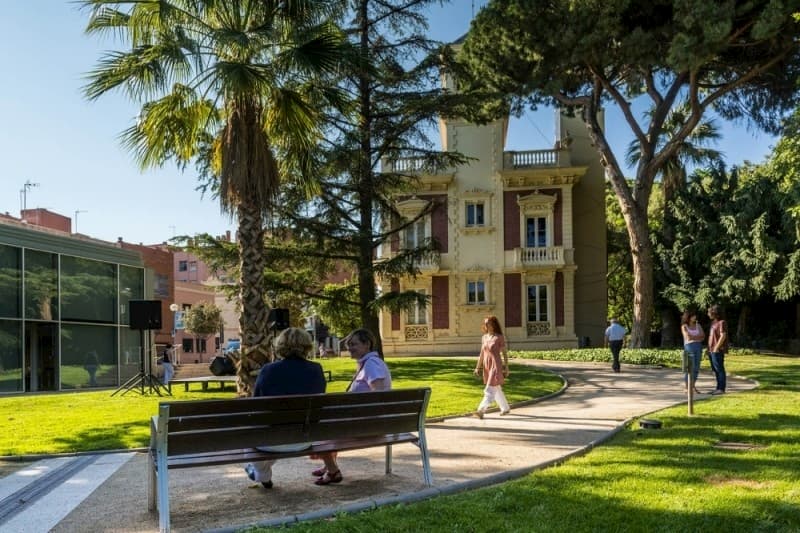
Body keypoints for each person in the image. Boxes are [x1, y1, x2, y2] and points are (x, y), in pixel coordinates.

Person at [243, 328, 326, 489]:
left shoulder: (268, 370)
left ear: (280, 346)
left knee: (252, 435)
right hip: (303, 439)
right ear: (307, 346)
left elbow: (257, 404)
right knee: (272, 436)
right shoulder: (316, 369)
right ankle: (262, 473)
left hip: (272, 440)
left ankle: (262, 474)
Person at [311, 328, 391, 486]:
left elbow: (379, 396)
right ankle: (329, 464)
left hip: (368, 426)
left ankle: (332, 471)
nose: (349, 348)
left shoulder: (371, 364)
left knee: (317, 425)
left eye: (354, 344)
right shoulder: (369, 363)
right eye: (348, 344)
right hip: (370, 422)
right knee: (329, 419)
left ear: (367, 344)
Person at [473, 315, 510, 418]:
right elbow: (482, 353)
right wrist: (477, 367)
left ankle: (481, 410)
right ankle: (505, 408)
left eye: (489, 323)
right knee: (496, 388)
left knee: (489, 389)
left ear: (494, 324)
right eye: (486, 323)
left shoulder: (499, 337)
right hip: (487, 366)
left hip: (496, 365)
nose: (487, 325)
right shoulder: (484, 337)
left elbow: (504, 353)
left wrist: (506, 367)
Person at [680, 310, 705, 393]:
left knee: (696, 368)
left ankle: (693, 386)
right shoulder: (684, 326)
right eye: (693, 316)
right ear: (689, 317)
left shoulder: (698, 325)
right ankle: (687, 387)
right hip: (689, 347)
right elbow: (687, 337)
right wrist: (697, 337)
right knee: (690, 368)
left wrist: (694, 337)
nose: (695, 317)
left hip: (698, 347)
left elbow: (703, 336)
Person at [707, 305, 728, 395]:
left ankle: (721, 389)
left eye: (709, 312)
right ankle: (718, 388)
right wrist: (709, 348)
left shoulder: (721, 322)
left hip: (717, 350)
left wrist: (716, 347)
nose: (708, 314)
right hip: (711, 349)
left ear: (715, 313)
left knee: (719, 369)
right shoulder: (713, 323)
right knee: (715, 370)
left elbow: (723, 335)